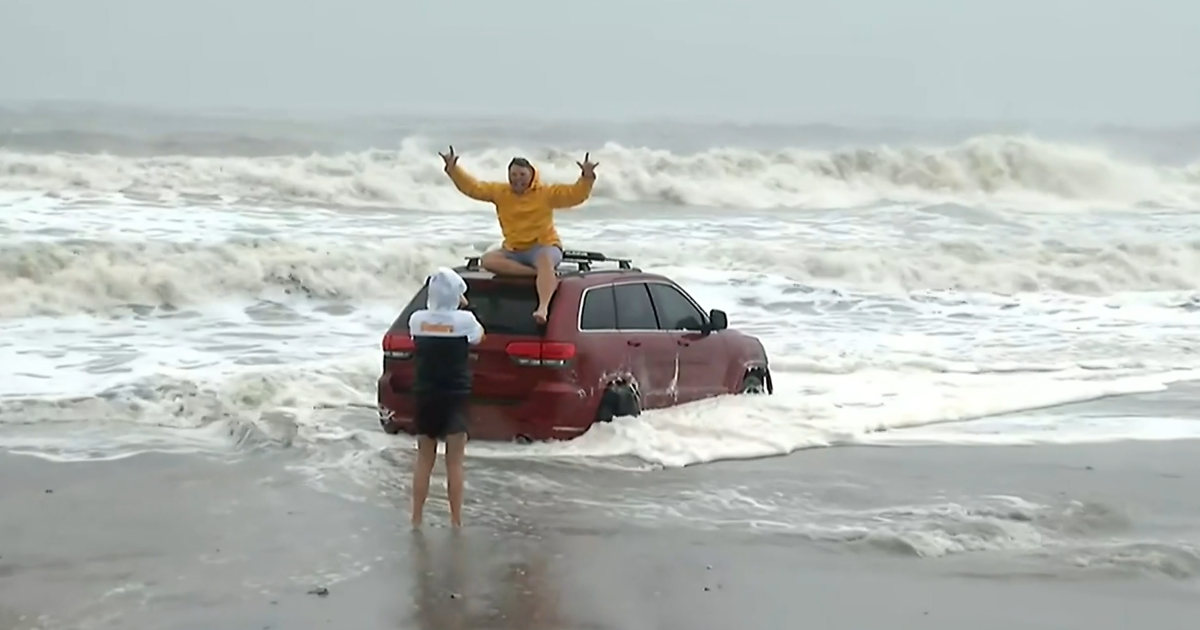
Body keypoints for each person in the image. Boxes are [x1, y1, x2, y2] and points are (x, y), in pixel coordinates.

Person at [439, 146, 598, 324]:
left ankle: (543, 308)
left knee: (545, 260)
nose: (517, 179)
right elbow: (474, 188)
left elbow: (574, 195)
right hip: (514, 250)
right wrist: (453, 169)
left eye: (522, 174)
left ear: (532, 175)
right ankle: (538, 274)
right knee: (488, 260)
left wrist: (587, 177)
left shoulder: (546, 193)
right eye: (513, 175)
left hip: (544, 246)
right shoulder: (500, 192)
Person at [407, 267, 485, 528]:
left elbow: (428, 330)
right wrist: (464, 304)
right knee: (455, 462)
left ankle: (416, 519)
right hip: (455, 395)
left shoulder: (417, 320)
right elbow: (479, 337)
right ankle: (456, 521)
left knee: (423, 460)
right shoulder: (466, 321)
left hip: (425, 394)